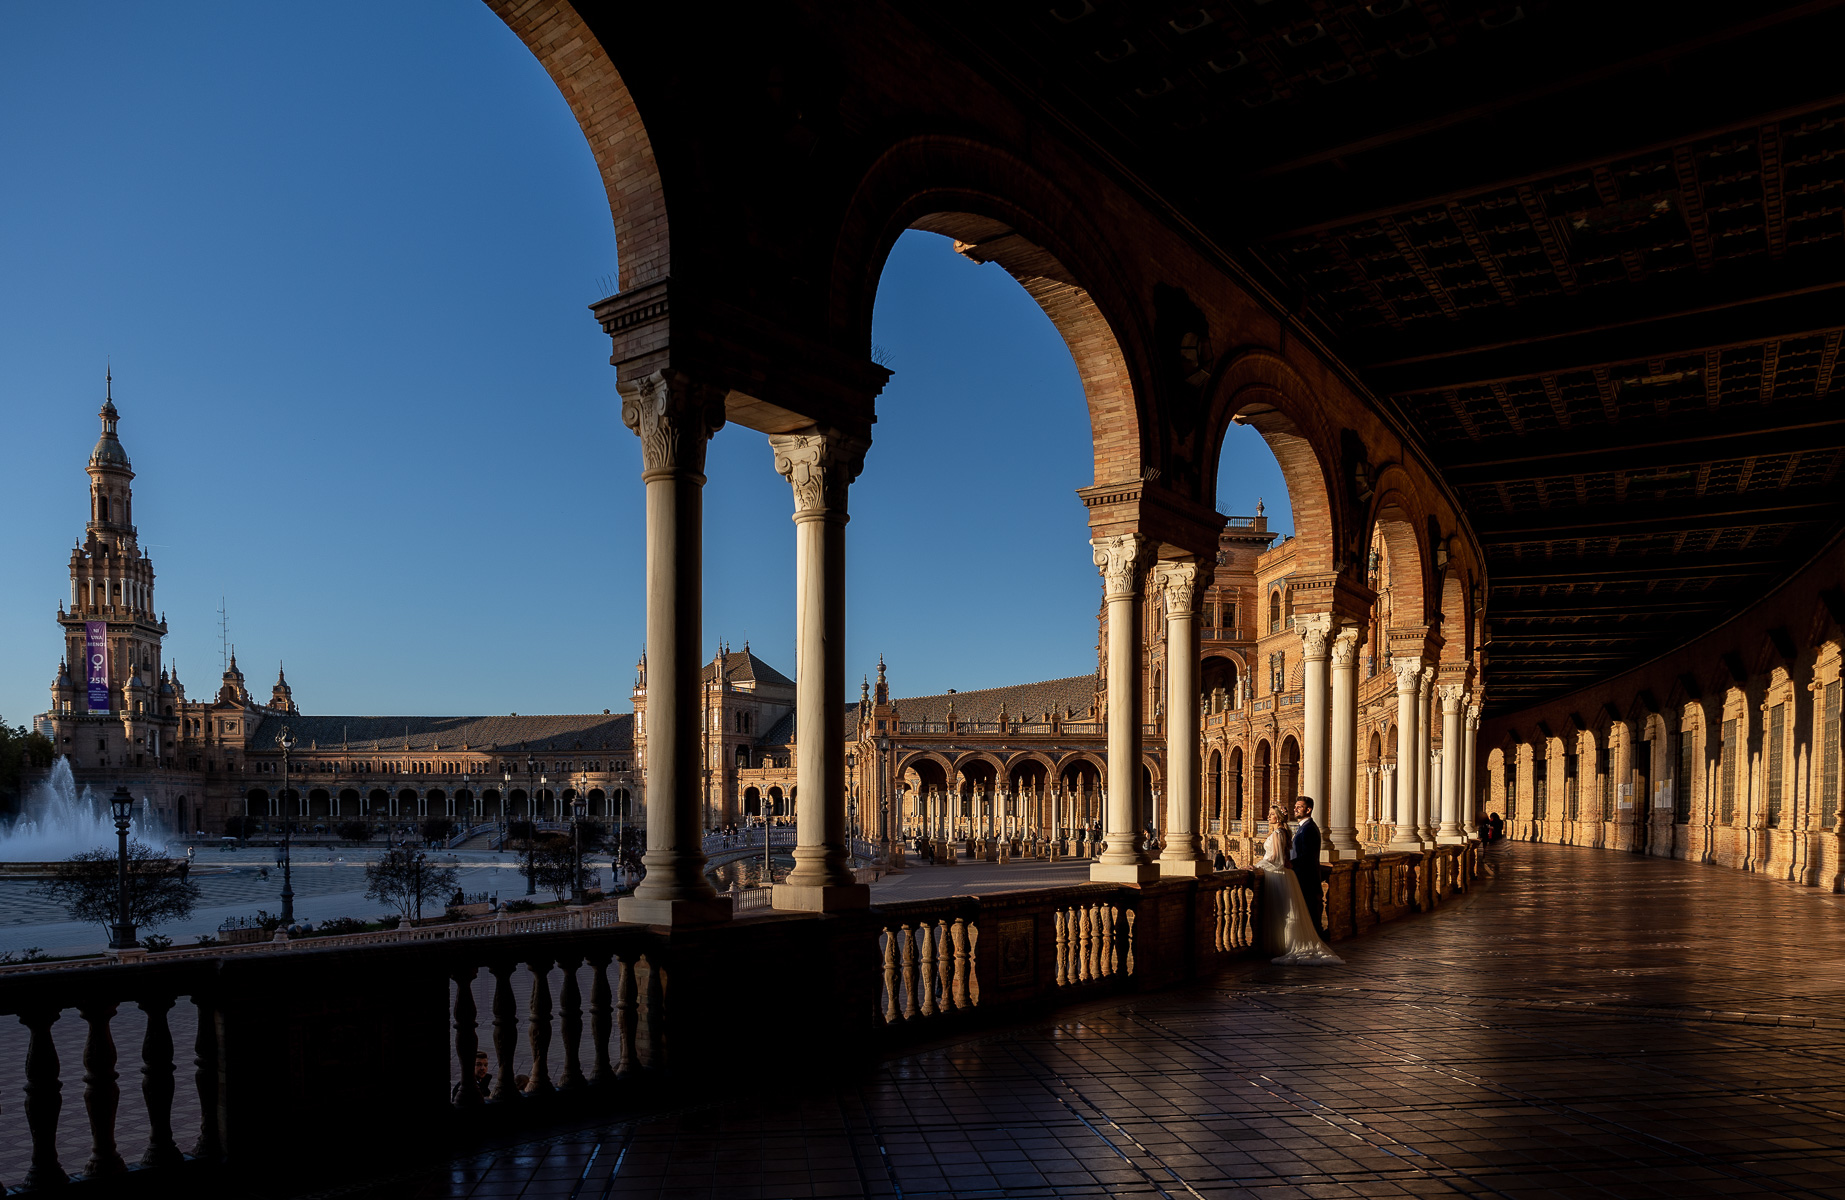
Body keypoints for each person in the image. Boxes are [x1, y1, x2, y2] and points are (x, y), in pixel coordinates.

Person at [1257, 803, 1342, 966]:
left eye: (1271, 814)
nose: (1268, 817)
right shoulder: (1285, 832)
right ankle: (1283, 943)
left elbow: (1275, 858)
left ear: (1278, 817)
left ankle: (1284, 944)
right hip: (1287, 876)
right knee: (1288, 913)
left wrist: (1256, 866)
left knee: (1285, 913)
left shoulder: (1279, 833)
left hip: (1281, 875)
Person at [1290, 796, 1324, 941]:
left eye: (1299, 806)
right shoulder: (1303, 827)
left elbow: (1307, 856)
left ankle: (1313, 940)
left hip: (1307, 878)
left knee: (1310, 912)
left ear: (1308, 810)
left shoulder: (1309, 829)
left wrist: (1291, 865)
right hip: (1304, 877)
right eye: (1295, 806)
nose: (1295, 809)